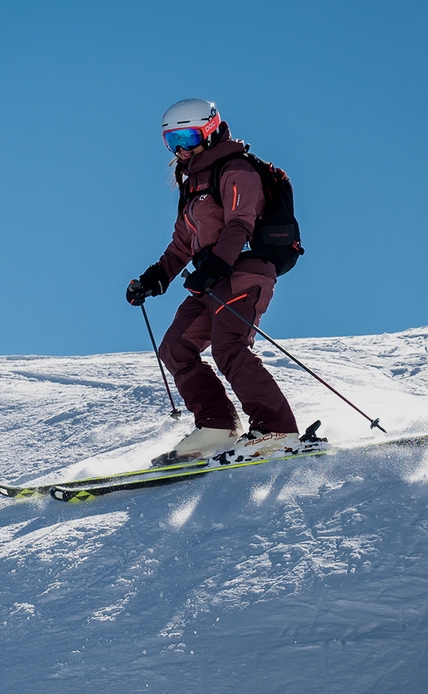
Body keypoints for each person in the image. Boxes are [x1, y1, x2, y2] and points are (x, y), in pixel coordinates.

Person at [127, 98, 300, 465]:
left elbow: (240, 223)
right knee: (175, 347)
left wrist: (217, 264)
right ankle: (217, 427)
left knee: (229, 346)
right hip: (212, 278)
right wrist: (154, 278)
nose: (181, 150)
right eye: (172, 141)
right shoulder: (193, 187)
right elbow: (180, 245)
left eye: (188, 137)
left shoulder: (236, 169)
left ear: (209, 129)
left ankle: (277, 428)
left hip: (244, 270)